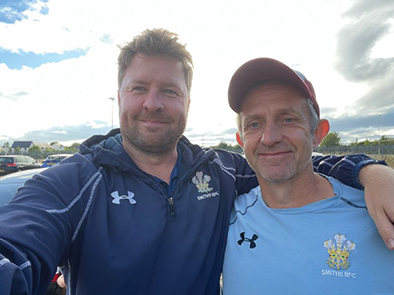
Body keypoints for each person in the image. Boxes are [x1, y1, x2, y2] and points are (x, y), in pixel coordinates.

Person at [0, 29, 392, 295]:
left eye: (169, 90)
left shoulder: (221, 170)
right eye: (139, 88)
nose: (152, 103)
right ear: (119, 98)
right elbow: (16, 248)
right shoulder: (71, 182)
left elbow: (288, 162)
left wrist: (369, 171)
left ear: (188, 104)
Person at [223, 57, 394, 294]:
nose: (269, 137)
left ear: (317, 133)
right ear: (241, 140)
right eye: (254, 124)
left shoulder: (379, 213)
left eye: (288, 119)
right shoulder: (226, 216)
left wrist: (373, 172)